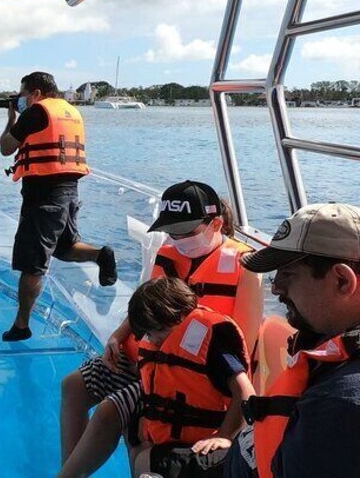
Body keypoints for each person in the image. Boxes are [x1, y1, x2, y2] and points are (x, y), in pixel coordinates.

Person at [59, 181, 262, 476]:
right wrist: (118, 336)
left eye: (186, 232)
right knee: (73, 385)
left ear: (215, 223)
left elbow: (241, 342)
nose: (177, 239)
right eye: (172, 232)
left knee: (113, 413)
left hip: (195, 373)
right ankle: (68, 469)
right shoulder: (169, 253)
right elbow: (148, 304)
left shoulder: (245, 266)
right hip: (145, 357)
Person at [225, 203, 360, 478]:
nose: (275, 288)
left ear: (343, 281)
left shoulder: (337, 407)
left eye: (287, 274)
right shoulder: (333, 334)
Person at [0, 71, 117, 342]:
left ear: (36, 93)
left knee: (33, 264)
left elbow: (6, 147)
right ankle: (101, 255)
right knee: (63, 248)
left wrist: (10, 120)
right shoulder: (70, 111)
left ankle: (21, 325)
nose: (22, 100)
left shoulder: (37, 112)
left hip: (42, 197)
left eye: (23, 95)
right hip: (69, 192)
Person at [127, 278, 254, 478]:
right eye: (149, 335)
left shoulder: (211, 340)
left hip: (216, 445)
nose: (154, 340)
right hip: (179, 442)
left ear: (179, 316)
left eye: (158, 331)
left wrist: (224, 435)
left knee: (145, 460)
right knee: (137, 446)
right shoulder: (163, 345)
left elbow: (246, 393)